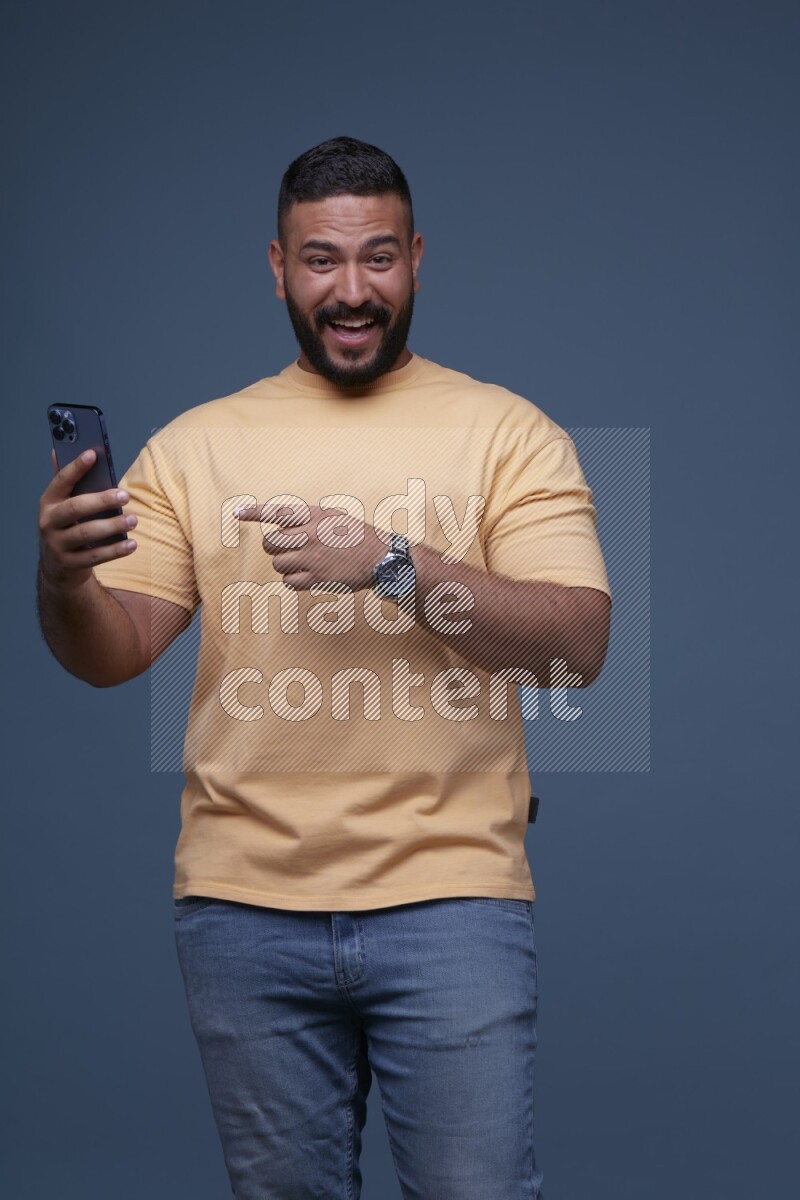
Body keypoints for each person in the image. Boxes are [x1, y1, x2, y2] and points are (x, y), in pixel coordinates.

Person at [37, 136, 611, 1200]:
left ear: (416, 258)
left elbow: (573, 651)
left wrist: (390, 567)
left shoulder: (505, 433)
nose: (351, 290)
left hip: (451, 904)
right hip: (240, 911)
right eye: (320, 261)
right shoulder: (194, 446)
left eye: (377, 257)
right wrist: (64, 580)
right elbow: (110, 655)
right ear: (276, 266)